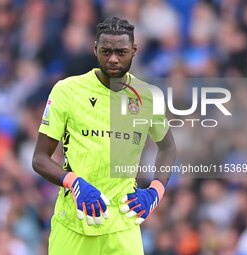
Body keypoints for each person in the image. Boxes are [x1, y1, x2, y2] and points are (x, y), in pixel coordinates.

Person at [32, 17, 176, 255]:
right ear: (94, 49)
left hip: (123, 226)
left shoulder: (148, 97)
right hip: (73, 226)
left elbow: (168, 148)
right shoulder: (67, 91)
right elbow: (40, 158)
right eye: (106, 51)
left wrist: (155, 191)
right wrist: (74, 182)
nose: (113, 59)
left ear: (134, 51)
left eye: (121, 52)